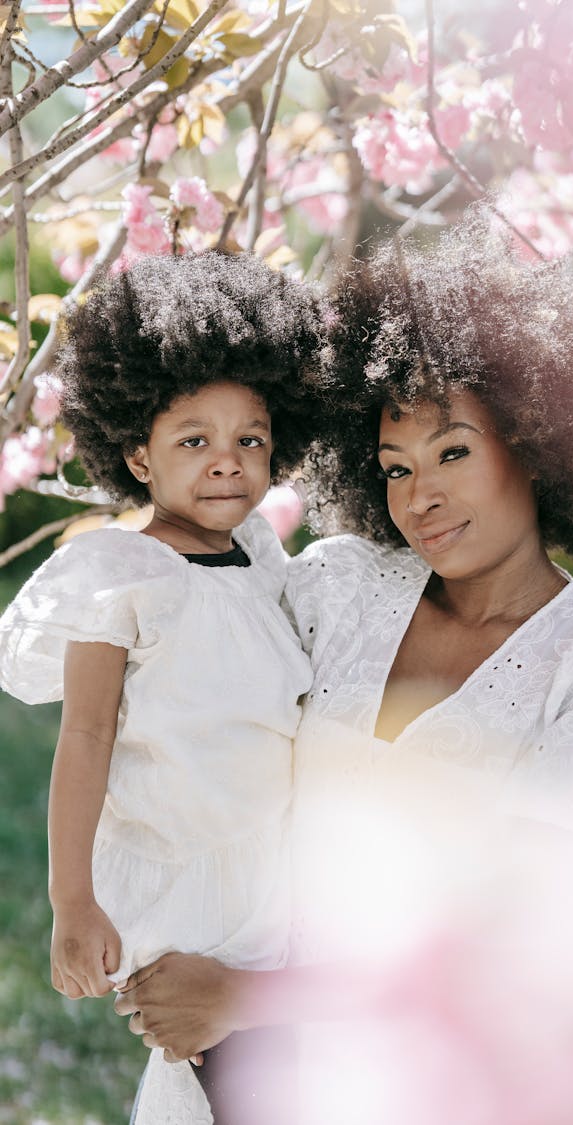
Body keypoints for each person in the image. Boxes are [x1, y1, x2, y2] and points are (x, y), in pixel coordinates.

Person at [114, 208, 573, 1122]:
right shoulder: (344, 591)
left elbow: (537, 957)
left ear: (542, 444)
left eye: (453, 452)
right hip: (234, 1079)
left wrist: (246, 997)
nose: (419, 496)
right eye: (391, 467)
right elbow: (192, 626)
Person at [0, 252, 330, 1125]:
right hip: (181, 876)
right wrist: (73, 900)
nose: (227, 462)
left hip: (268, 869)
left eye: (249, 438)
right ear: (137, 456)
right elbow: (85, 738)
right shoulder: (119, 573)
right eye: (194, 440)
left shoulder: (261, 556)